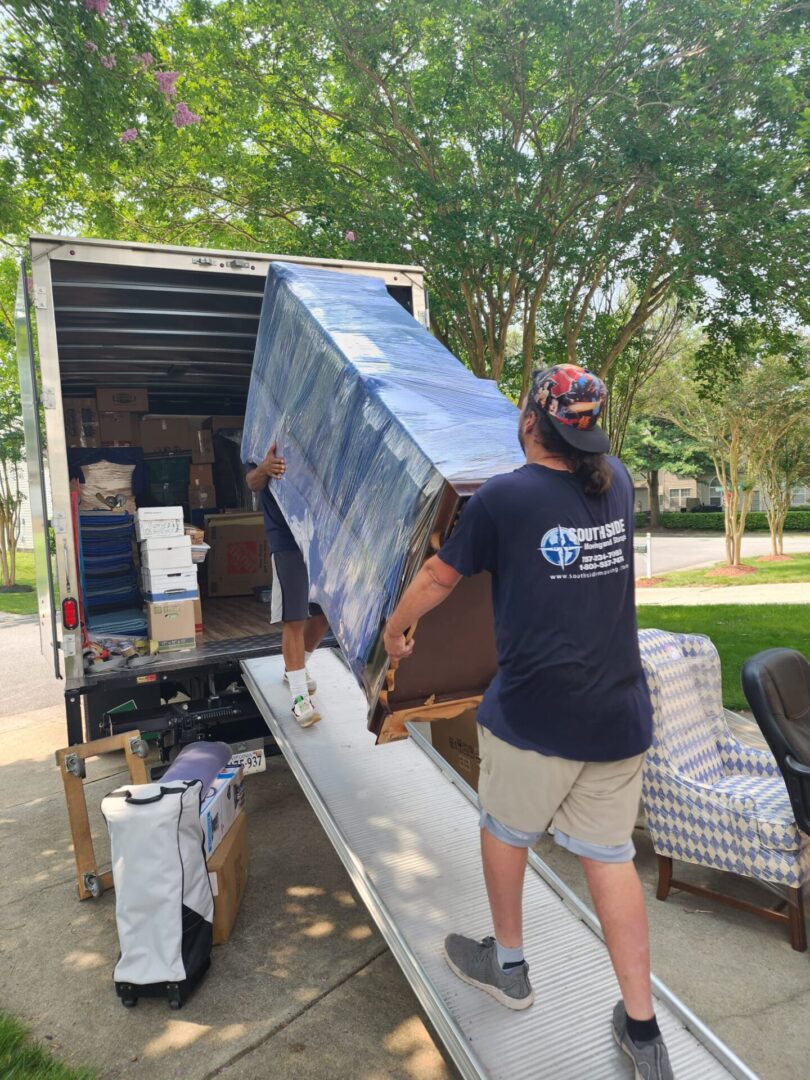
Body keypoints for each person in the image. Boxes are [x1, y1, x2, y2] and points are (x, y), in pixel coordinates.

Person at [383, 364, 673, 1080]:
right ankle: (642, 1029)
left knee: (506, 830)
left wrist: (395, 634)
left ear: (527, 425)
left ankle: (507, 965)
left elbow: (436, 580)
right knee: (608, 859)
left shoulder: (503, 499)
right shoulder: (621, 480)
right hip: (616, 715)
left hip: (535, 717)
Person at [244, 443, 329, 728]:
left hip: (319, 536)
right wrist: (265, 469)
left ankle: (296, 667)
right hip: (286, 540)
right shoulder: (264, 433)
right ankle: (299, 699)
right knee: (294, 617)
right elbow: (252, 482)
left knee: (323, 615)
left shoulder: (315, 435)